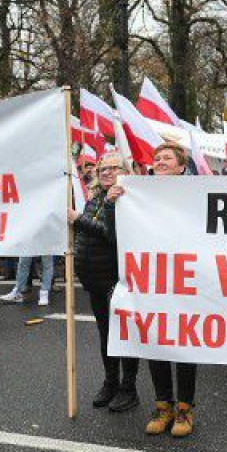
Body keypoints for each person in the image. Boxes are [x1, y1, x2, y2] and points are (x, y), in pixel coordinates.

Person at [112, 143, 199, 437]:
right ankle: (163, 406)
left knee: (185, 342)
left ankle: (185, 410)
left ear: (181, 167)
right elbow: (119, 233)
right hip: (151, 279)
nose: (160, 161)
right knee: (155, 339)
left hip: (187, 278)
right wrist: (115, 201)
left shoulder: (197, 194)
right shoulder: (137, 193)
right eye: (157, 158)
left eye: (167, 158)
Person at [68, 151, 140, 412]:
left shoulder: (128, 199)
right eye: (102, 169)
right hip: (94, 279)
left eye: (113, 168)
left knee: (124, 334)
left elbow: (113, 237)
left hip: (116, 278)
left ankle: (128, 388)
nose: (107, 172)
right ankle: (110, 382)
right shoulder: (95, 198)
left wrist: (79, 220)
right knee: (105, 333)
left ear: (125, 170)